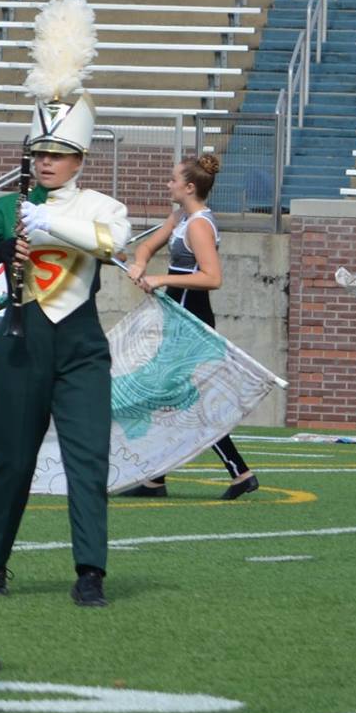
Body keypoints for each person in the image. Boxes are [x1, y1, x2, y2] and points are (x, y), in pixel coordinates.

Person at [0, 0, 130, 610]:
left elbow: (111, 243)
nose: (47, 162)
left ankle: (90, 571)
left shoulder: (101, 206)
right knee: (9, 459)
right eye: (40, 153)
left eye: (58, 154)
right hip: (20, 343)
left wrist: (49, 225)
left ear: (79, 157)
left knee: (88, 460)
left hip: (81, 347)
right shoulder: (6, 207)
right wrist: (2, 248)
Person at [122, 154, 257, 500]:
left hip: (191, 318)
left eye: (173, 180)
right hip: (176, 314)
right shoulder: (180, 216)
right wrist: (140, 263)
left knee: (181, 398)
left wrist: (160, 278)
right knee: (170, 397)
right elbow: (147, 245)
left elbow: (213, 278)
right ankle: (157, 480)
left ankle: (240, 472)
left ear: (190, 187)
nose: (168, 184)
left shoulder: (198, 225)